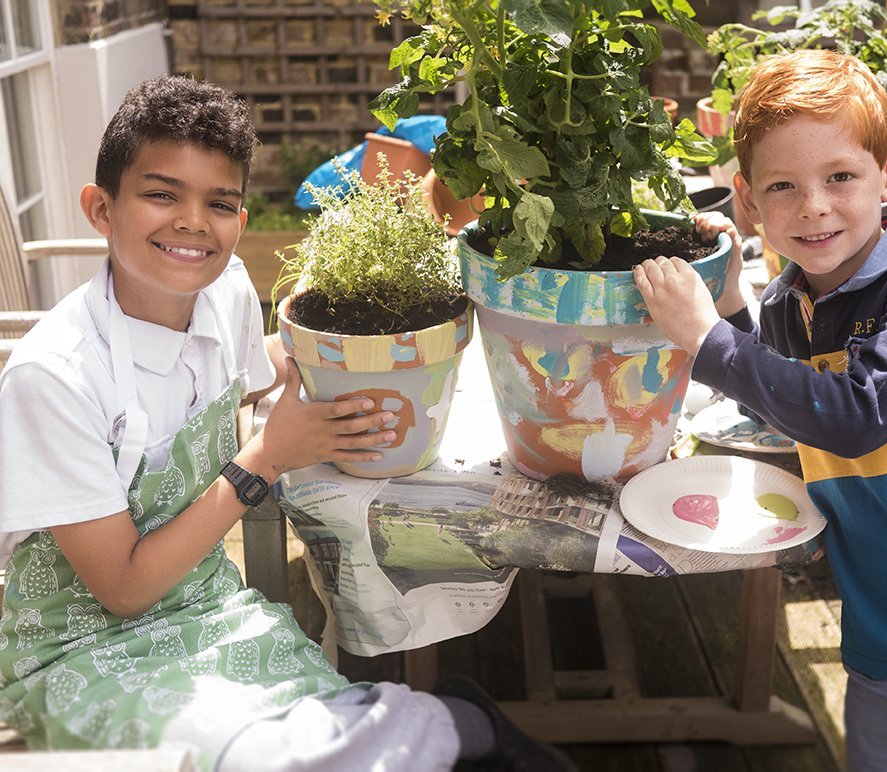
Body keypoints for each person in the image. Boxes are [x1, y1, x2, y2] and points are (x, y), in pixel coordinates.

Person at [0, 74, 574, 772]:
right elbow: (120, 591)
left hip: (208, 609)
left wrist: (345, 352)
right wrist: (264, 459)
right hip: (80, 651)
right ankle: (450, 724)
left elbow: (255, 371)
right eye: (160, 194)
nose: (191, 221)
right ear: (100, 208)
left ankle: (436, 727)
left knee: (310, 745)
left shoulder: (227, 291)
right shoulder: (54, 376)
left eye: (218, 203)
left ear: (241, 221)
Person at [634, 50, 887, 770]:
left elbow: (854, 416)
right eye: (781, 186)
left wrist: (702, 337)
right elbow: (781, 404)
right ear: (747, 203)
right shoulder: (790, 303)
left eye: (839, 177)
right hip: (886, 647)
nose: (811, 205)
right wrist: (726, 299)